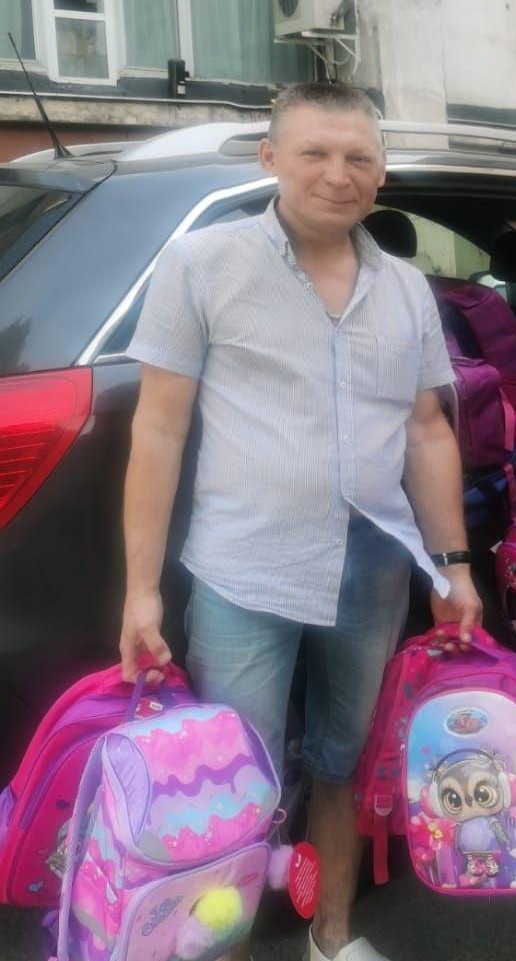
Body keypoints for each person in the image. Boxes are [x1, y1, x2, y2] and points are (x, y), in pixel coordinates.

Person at [118, 82, 482, 961]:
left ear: (381, 172)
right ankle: (225, 948)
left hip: (374, 566)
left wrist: (453, 566)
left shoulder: (404, 289)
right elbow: (159, 427)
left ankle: (333, 934)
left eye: (358, 157)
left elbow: (426, 431)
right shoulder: (203, 264)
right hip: (245, 568)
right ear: (270, 159)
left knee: (342, 760)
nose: (336, 174)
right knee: (229, 783)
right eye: (314, 153)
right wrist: (140, 591)